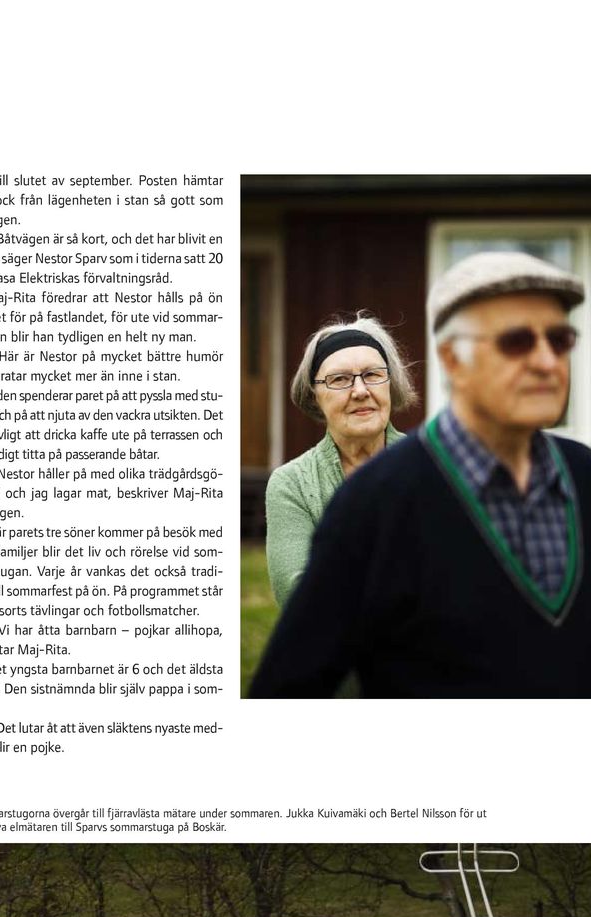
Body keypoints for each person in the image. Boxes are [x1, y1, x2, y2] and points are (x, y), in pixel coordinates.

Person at [249, 250, 591, 698]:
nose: (547, 362)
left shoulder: (582, 472)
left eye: (560, 340)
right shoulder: (375, 495)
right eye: (514, 341)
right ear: (452, 361)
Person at [265, 313, 416, 607]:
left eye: (373, 374)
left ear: (389, 383)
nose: (360, 391)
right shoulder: (292, 483)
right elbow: (300, 598)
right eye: (340, 380)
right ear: (315, 395)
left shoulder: (436, 465)